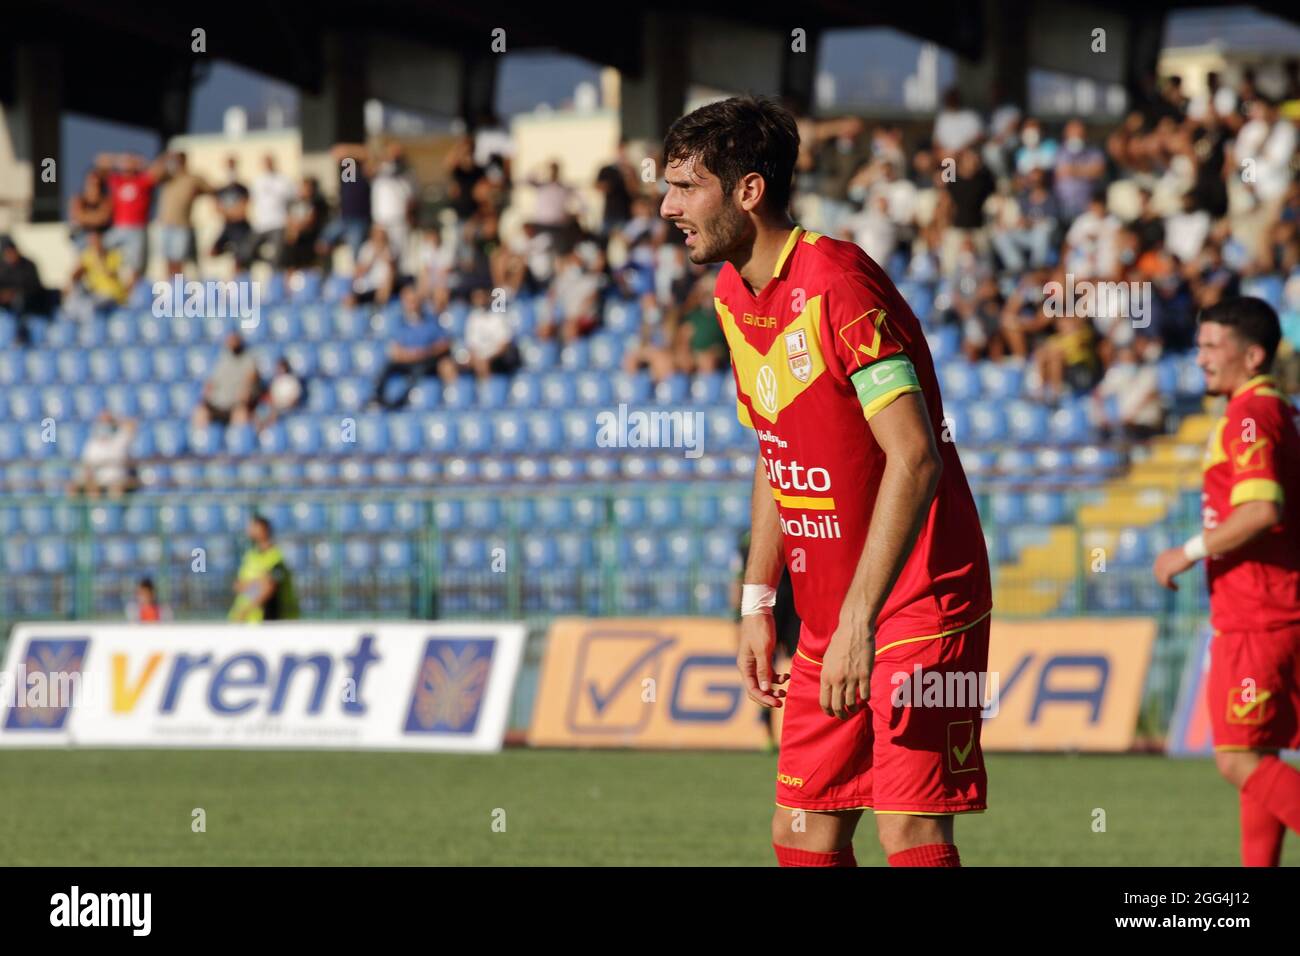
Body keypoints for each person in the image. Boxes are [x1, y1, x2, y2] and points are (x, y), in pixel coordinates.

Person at [661, 96, 991, 868]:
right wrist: (757, 603)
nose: (668, 208)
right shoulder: (732, 297)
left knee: (907, 829)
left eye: (685, 187)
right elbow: (776, 452)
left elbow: (915, 458)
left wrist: (859, 622)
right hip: (826, 616)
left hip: (915, 600)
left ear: (748, 191)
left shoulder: (839, 284)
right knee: (803, 831)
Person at [1153, 298, 1300, 867]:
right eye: (1200, 345)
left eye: (1214, 346)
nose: (1201, 358)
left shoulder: (1250, 415)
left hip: (1259, 612)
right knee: (1256, 755)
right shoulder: (1268, 409)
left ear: (1253, 354)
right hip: (1268, 605)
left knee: (1238, 759)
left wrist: (1185, 553)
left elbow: (1261, 509)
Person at [732, 528, 801, 753]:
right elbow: (739, 576)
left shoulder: (794, 528)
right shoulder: (747, 539)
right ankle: (768, 736)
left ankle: (798, 733)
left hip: (795, 606)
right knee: (765, 671)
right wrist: (739, 618)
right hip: (766, 608)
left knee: (802, 666)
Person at [371, 284, 455, 408]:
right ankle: (378, 398)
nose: (412, 304)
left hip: (426, 361)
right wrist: (410, 355)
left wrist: (426, 352)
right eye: (409, 301)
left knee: (420, 374)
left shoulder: (431, 321)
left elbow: (444, 343)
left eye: (414, 301)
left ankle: (403, 401)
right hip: (407, 360)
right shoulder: (399, 322)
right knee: (386, 368)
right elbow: (395, 350)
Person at [229, 515, 299, 623]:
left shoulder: (276, 557)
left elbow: (269, 587)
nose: (249, 529)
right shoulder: (251, 555)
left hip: (268, 620)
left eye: (253, 526)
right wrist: (258, 584)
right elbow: (238, 585)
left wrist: (245, 610)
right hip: (248, 620)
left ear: (264, 529)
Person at [155, 151, 210, 276]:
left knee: (179, 261)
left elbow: (211, 189)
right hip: (165, 225)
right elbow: (153, 174)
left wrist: (198, 194)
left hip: (182, 225)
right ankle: (170, 290)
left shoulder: (192, 178)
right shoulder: (167, 177)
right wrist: (164, 158)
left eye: (178, 160)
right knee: (168, 261)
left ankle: (178, 292)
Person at [193, 332, 260, 427]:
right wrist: (204, 398)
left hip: (235, 405)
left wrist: (243, 399)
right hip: (218, 403)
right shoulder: (223, 359)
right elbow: (211, 381)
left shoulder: (248, 359)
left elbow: (251, 378)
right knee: (200, 413)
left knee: (241, 416)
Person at [63, 230, 130, 322]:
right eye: (92, 241)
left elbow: (112, 273)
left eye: (96, 241)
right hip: (95, 294)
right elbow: (77, 272)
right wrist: (72, 280)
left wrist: (99, 260)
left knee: (90, 306)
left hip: (112, 295)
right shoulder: (88, 255)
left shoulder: (114, 255)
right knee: (74, 301)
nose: (94, 244)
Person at [67, 411, 137, 498]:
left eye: (107, 423)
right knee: (76, 487)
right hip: (98, 478)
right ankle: (92, 510)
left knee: (116, 489)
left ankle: (113, 511)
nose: (104, 426)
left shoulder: (119, 439)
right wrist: (89, 478)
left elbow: (132, 424)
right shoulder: (92, 443)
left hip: (116, 478)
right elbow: (87, 465)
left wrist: (115, 419)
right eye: (102, 423)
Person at [0, 235, 54, 343]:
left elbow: (34, 287)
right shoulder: (2, 267)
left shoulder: (29, 265)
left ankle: (19, 336)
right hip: (6, 305)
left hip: (28, 304)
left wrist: (13, 294)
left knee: (18, 301)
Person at [210, 155, 255, 271]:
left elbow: (242, 211)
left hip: (241, 228)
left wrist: (229, 212)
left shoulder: (242, 188)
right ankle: (231, 250)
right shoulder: (221, 189)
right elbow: (216, 209)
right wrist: (231, 212)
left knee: (241, 260)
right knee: (212, 251)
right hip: (227, 227)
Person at [249, 154, 294, 265]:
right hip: (260, 224)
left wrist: (290, 223)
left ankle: (275, 275)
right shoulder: (257, 181)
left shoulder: (283, 180)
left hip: (278, 223)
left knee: (278, 254)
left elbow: (291, 202)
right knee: (247, 251)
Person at [67, 170, 113, 250]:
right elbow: (78, 217)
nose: (93, 186)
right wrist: (94, 217)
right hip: (82, 236)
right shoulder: (78, 198)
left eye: (96, 184)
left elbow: (103, 218)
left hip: (102, 236)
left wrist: (86, 217)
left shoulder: (105, 200)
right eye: (90, 183)